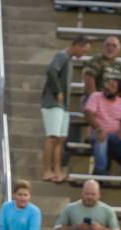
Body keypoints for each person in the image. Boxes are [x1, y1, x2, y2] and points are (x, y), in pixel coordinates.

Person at [41, 35, 89, 184]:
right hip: (53, 103)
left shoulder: (68, 59)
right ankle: (47, 170)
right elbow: (51, 71)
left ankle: (57, 170)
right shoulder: (62, 55)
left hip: (63, 106)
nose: (84, 54)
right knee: (52, 137)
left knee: (60, 139)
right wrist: (58, 91)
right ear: (78, 45)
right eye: (84, 50)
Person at [84, 77, 121, 177]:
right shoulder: (96, 96)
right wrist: (98, 129)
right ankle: (100, 171)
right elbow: (88, 114)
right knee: (102, 138)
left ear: (118, 92)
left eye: (112, 86)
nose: (107, 87)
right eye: (107, 84)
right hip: (97, 132)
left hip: (115, 135)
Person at [82, 36, 121, 101]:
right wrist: (97, 102)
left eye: (114, 46)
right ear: (103, 47)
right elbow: (89, 82)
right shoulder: (95, 61)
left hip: (114, 104)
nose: (110, 48)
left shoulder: (120, 65)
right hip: (96, 103)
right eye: (107, 45)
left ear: (119, 50)